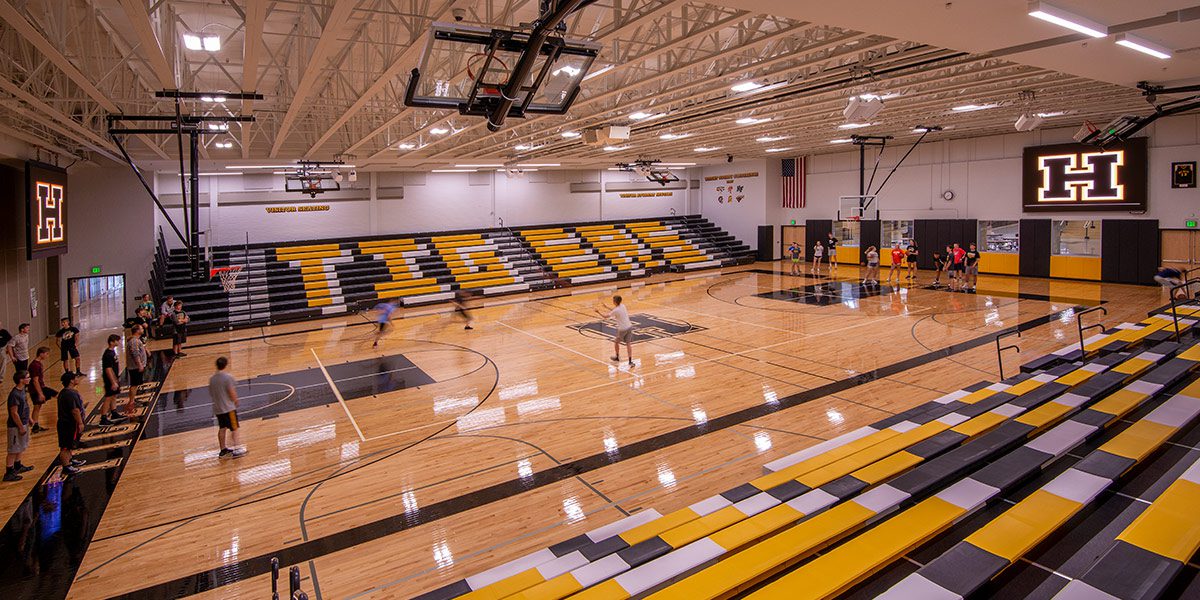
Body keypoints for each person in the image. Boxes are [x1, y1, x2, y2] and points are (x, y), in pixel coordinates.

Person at [210, 357, 245, 458]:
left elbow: (211, 393)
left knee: (222, 428)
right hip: (228, 408)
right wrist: (236, 401)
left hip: (217, 408)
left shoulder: (212, 379)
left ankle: (223, 450)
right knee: (234, 428)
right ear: (226, 365)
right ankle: (237, 449)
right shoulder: (227, 377)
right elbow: (231, 391)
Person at [56, 372, 86, 476]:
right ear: (71, 381)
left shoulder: (65, 392)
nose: (78, 379)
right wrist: (80, 423)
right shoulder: (70, 394)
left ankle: (70, 460)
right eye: (76, 377)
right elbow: (75, 410)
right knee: (65, 446)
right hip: (67, 424)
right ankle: (66, 466)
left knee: (69, 445)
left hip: (67, 423)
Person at [5, 370, 33, 482]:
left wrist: (29, 419)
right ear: (21, 380)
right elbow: (14, 413)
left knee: (21, 446)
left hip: (24, 422)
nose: (29, 379)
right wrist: (20, 426)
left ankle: (18, 465)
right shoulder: (14, 394)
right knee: (13, 449)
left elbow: (25, 406)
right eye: (27, 377)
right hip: (15, 426)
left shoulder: (23, 391)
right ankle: (9, 472)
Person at [596, 295, 635, 367]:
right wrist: (606, 307)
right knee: (628, 344)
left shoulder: (616, 310)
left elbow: (605, 316)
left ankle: (617, 357)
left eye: (613, 300)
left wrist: (598, 312)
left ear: (615, 302)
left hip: (622, 329)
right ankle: (630, 361)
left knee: (616, 342)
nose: (612, 301)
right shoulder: (623, 306)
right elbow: (615, 310)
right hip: (629, 326)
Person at [27, 347, 57, 434]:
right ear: (41, 354)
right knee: (59, 395)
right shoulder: (35, 365)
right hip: (38, 389)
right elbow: (35, 380)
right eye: (46, 354)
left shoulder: (37, 364)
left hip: (38, 388)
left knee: (37, 407)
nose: (47, 356)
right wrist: (40, 393)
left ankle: (35, 426)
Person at [99, 334, 126, 426]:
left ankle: (114, 413)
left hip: (114, 378)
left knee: (114, 395)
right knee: (108, 397)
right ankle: (103, 418)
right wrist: (113, 381)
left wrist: (116, 378)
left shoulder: (112, 352)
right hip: (109, 379)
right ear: (111, 342)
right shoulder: (107, 354)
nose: (119, 342)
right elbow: (108, 369)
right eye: (117, 340)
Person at [126, 324, 148, 415]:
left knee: (135, 384)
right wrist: (139, 365)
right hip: (135, 367)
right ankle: (131, 402)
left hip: (135, 366)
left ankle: (133, 400)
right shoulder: (134, 341)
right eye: (141, 328)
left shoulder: (136, 340)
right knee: (134, 385)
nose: (143, 329)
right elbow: (135, 354)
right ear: (137, 331)